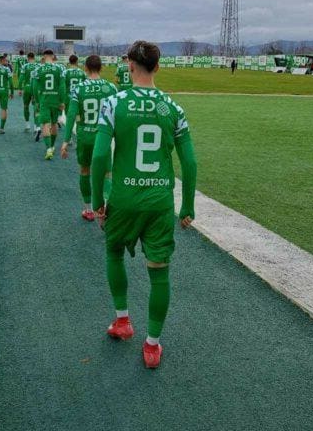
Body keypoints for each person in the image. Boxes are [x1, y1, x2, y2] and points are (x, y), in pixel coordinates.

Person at [92, 40, 197, 369]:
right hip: (159, 202)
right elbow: (190, 162)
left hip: (123, 199)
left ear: (129, 65)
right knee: (159, 272)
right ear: (158, 67)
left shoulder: (114, 103)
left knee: (113, 253)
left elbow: (99, 156)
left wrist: (97, 202)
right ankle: (152, 345)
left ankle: (122, 320)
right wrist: (187, 206)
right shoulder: (173, 108)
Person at [60, 55, 116, 221]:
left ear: (85, 68)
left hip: (85, 136)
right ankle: (105, 207)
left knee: (85, 170)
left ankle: (88, 209)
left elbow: (71, 115)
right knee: (106, 173)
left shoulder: (78, 89)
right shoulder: (111, 87)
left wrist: (66, 140)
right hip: (103, 137)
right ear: (101, 68)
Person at [33, 49, 65, 159]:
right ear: (53, 56)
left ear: (43, 56)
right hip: (55, 99)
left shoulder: (38, 69)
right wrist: (62, 101)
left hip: (44, 100)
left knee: (45, 124)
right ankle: (52, 146)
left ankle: (48, 149)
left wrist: (37, 101)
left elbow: (35, 87)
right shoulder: (60, 68)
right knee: (54, 123)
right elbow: (62, 86)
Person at [18, 53, 38, 132]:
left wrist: (20, 89)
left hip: (27, 88)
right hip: (35, 89)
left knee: (26, 106)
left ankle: (27, 125)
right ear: (34, 57)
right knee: (36, 107)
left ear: (28, 58)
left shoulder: (25, 66)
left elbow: (21, 79)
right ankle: (36, 126)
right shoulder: (38, 66)